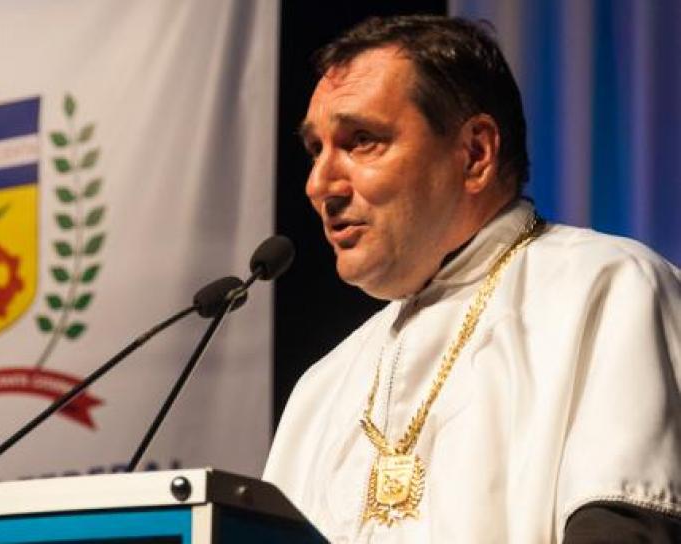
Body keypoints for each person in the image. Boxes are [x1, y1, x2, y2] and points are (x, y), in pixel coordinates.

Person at [264, 15, 681, 543]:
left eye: (362, 140)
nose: (319, 184)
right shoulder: (320, 389)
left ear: (476, 153)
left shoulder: (610, 290)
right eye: (315, 150)